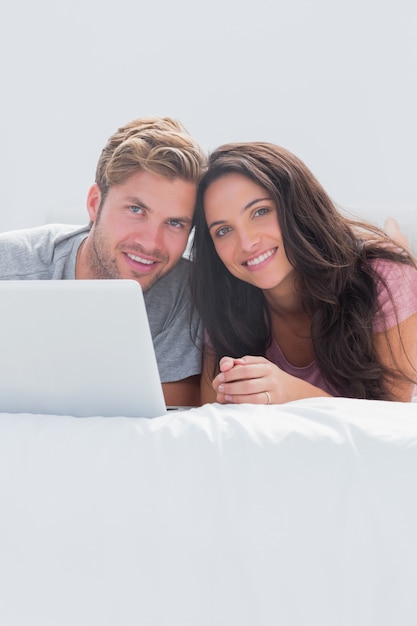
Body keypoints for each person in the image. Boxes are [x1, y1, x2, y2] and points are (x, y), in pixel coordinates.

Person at [0, 116, 207, 407]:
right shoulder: (10, 268)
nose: (151, 243)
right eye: (136, 209)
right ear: (95, 203)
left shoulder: (187, 290)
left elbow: (187, 397)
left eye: (174, 223)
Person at [190, 142, 417, 404]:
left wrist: (291, 394)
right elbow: (211, 418)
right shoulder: (222, 302)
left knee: (393, 252)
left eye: (260, 211)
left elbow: (391, 426)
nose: (246, 242)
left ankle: (396, 237)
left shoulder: (385, 278)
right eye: (223, 230)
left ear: (297, 207)